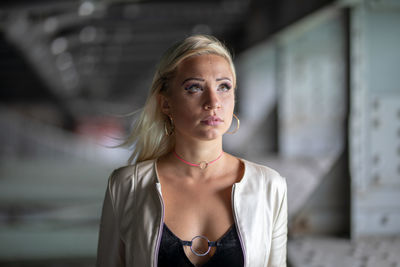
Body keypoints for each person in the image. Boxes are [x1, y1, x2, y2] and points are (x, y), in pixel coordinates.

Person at [96, 35, 287, 267]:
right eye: (195, 87)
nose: (213, 101)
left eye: (224, 86)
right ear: (166, 103)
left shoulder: (269, 186)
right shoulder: (128, 186)